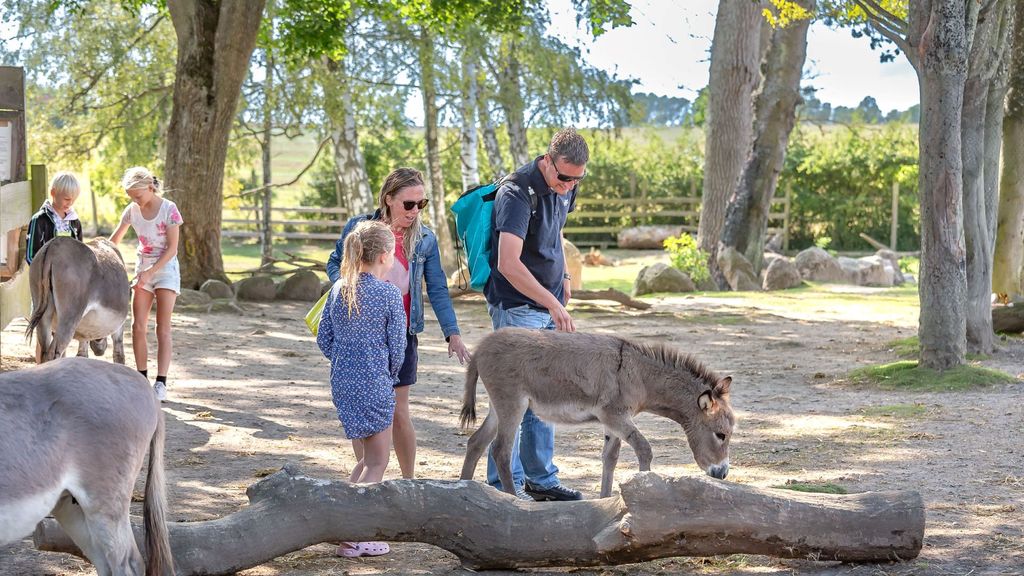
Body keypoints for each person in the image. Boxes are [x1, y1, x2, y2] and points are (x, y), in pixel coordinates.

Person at [326, 167, 471, 480]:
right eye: (409, 204)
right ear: (388, 199)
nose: (416, 211)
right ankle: (369, 473)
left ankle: (408, 480)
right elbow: (334, 263)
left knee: (398, 409)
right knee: (365, 413)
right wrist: (353, 291)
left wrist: (453, 334)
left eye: (422, 204)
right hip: (360, 335)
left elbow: (437, 288)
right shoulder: (360, 228)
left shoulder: (425, 239)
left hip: (401, 335)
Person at [483, 127, 589, 501]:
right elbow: (508, 263)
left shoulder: (567, 185)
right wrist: (553, 302)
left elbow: (555, 232)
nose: (568, 187)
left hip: (546, 303)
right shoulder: (516, 194)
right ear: (547, 161)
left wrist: (563, 274)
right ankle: (502, 487)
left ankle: (541, 481)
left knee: (545, 396)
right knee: (513, 400)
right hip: (517, 308)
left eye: (577, 179)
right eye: (563, 177)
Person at [317, 220, 406, 559]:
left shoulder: (339, 288)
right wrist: (388, 373)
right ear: (385, 256)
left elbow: (324, 338)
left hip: (344, 383)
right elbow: (397, 347)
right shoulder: (387, 295)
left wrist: (346, 360)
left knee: (366, 460)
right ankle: (356, 537)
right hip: (375, 382)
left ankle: (343, 524)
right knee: (378, 461)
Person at [109, 167, 183, 402]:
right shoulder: (132, 211)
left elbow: (172, 249)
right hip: (143, 269)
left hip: (165, 270)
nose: (135, 201)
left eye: (138, 196)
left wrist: (150, 273)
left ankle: (161, 382)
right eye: (131, 197)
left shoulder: (169, 209)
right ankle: (141, 379)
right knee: (137, 326)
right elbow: (114, 240)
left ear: (150, 188)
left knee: (162, 327)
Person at [25, 172, 84, 264]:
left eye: (74, 200)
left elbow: (81, 254)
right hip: (46, 276)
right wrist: (45, 275)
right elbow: (31, 256)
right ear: (53, 193)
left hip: (71, 276)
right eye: (67, 199)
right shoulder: (39, 220)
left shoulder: (75, 223)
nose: (70, 203)